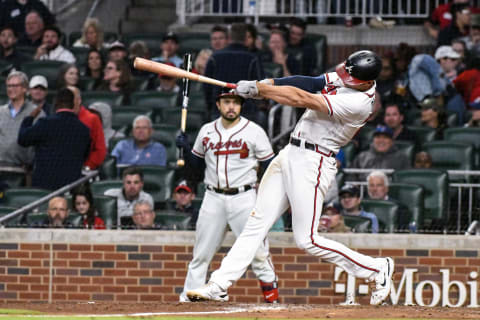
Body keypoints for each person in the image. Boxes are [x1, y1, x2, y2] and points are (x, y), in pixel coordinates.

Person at [186, 50, 394, 306]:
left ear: (366, 81)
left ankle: (375, 268)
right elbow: (310, 82)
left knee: (307, 240)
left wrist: (260, 91)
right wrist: (266, 84)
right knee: (256, 225)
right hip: (291, 152)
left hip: (314, 161)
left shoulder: (360, 103)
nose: (343, 78)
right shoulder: (347, 73)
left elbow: (303, 98)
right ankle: (219, 284)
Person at [176, 89, 279, 303]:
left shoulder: (254, 131)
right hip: (213, 196)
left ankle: (273, 300)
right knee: (201, 253)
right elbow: (194, 171)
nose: (231, 106)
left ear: (241, 105)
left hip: (244, 196)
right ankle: (190, 299)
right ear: (218, 105)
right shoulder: (206, 131)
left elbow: (270, 165)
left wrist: (266, 196)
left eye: (235, 102)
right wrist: (185, 150)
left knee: (258, 253)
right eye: (227, 102)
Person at [17, 87, 91, 190]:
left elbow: (22, 139)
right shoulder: (84, 130)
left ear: (55, 104)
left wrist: (29, 118)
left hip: (44, 187)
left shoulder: (45, 123)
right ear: (73, 105)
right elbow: (85, 155)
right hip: (71, 187)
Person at [203, 23, 266, 125]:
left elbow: (206, 85)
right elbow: (260, 86)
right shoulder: (252, 58)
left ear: (229, 38)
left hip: (220, 109)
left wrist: (211, 106)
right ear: (246, 38)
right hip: (246, 111)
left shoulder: (215, 57)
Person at [0, 71, 43, 167]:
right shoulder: (1, 112)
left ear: (24, 89)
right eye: (9, 86)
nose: (11, 89)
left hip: (23, 169)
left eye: (15, 86)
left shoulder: (36, 113)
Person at [69, 86, 106, 170]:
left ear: (79, 100)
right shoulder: (57, 118)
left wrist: (87, 166)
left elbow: (100, 149)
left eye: (71, 98)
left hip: (84, 170)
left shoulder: (92, 119)